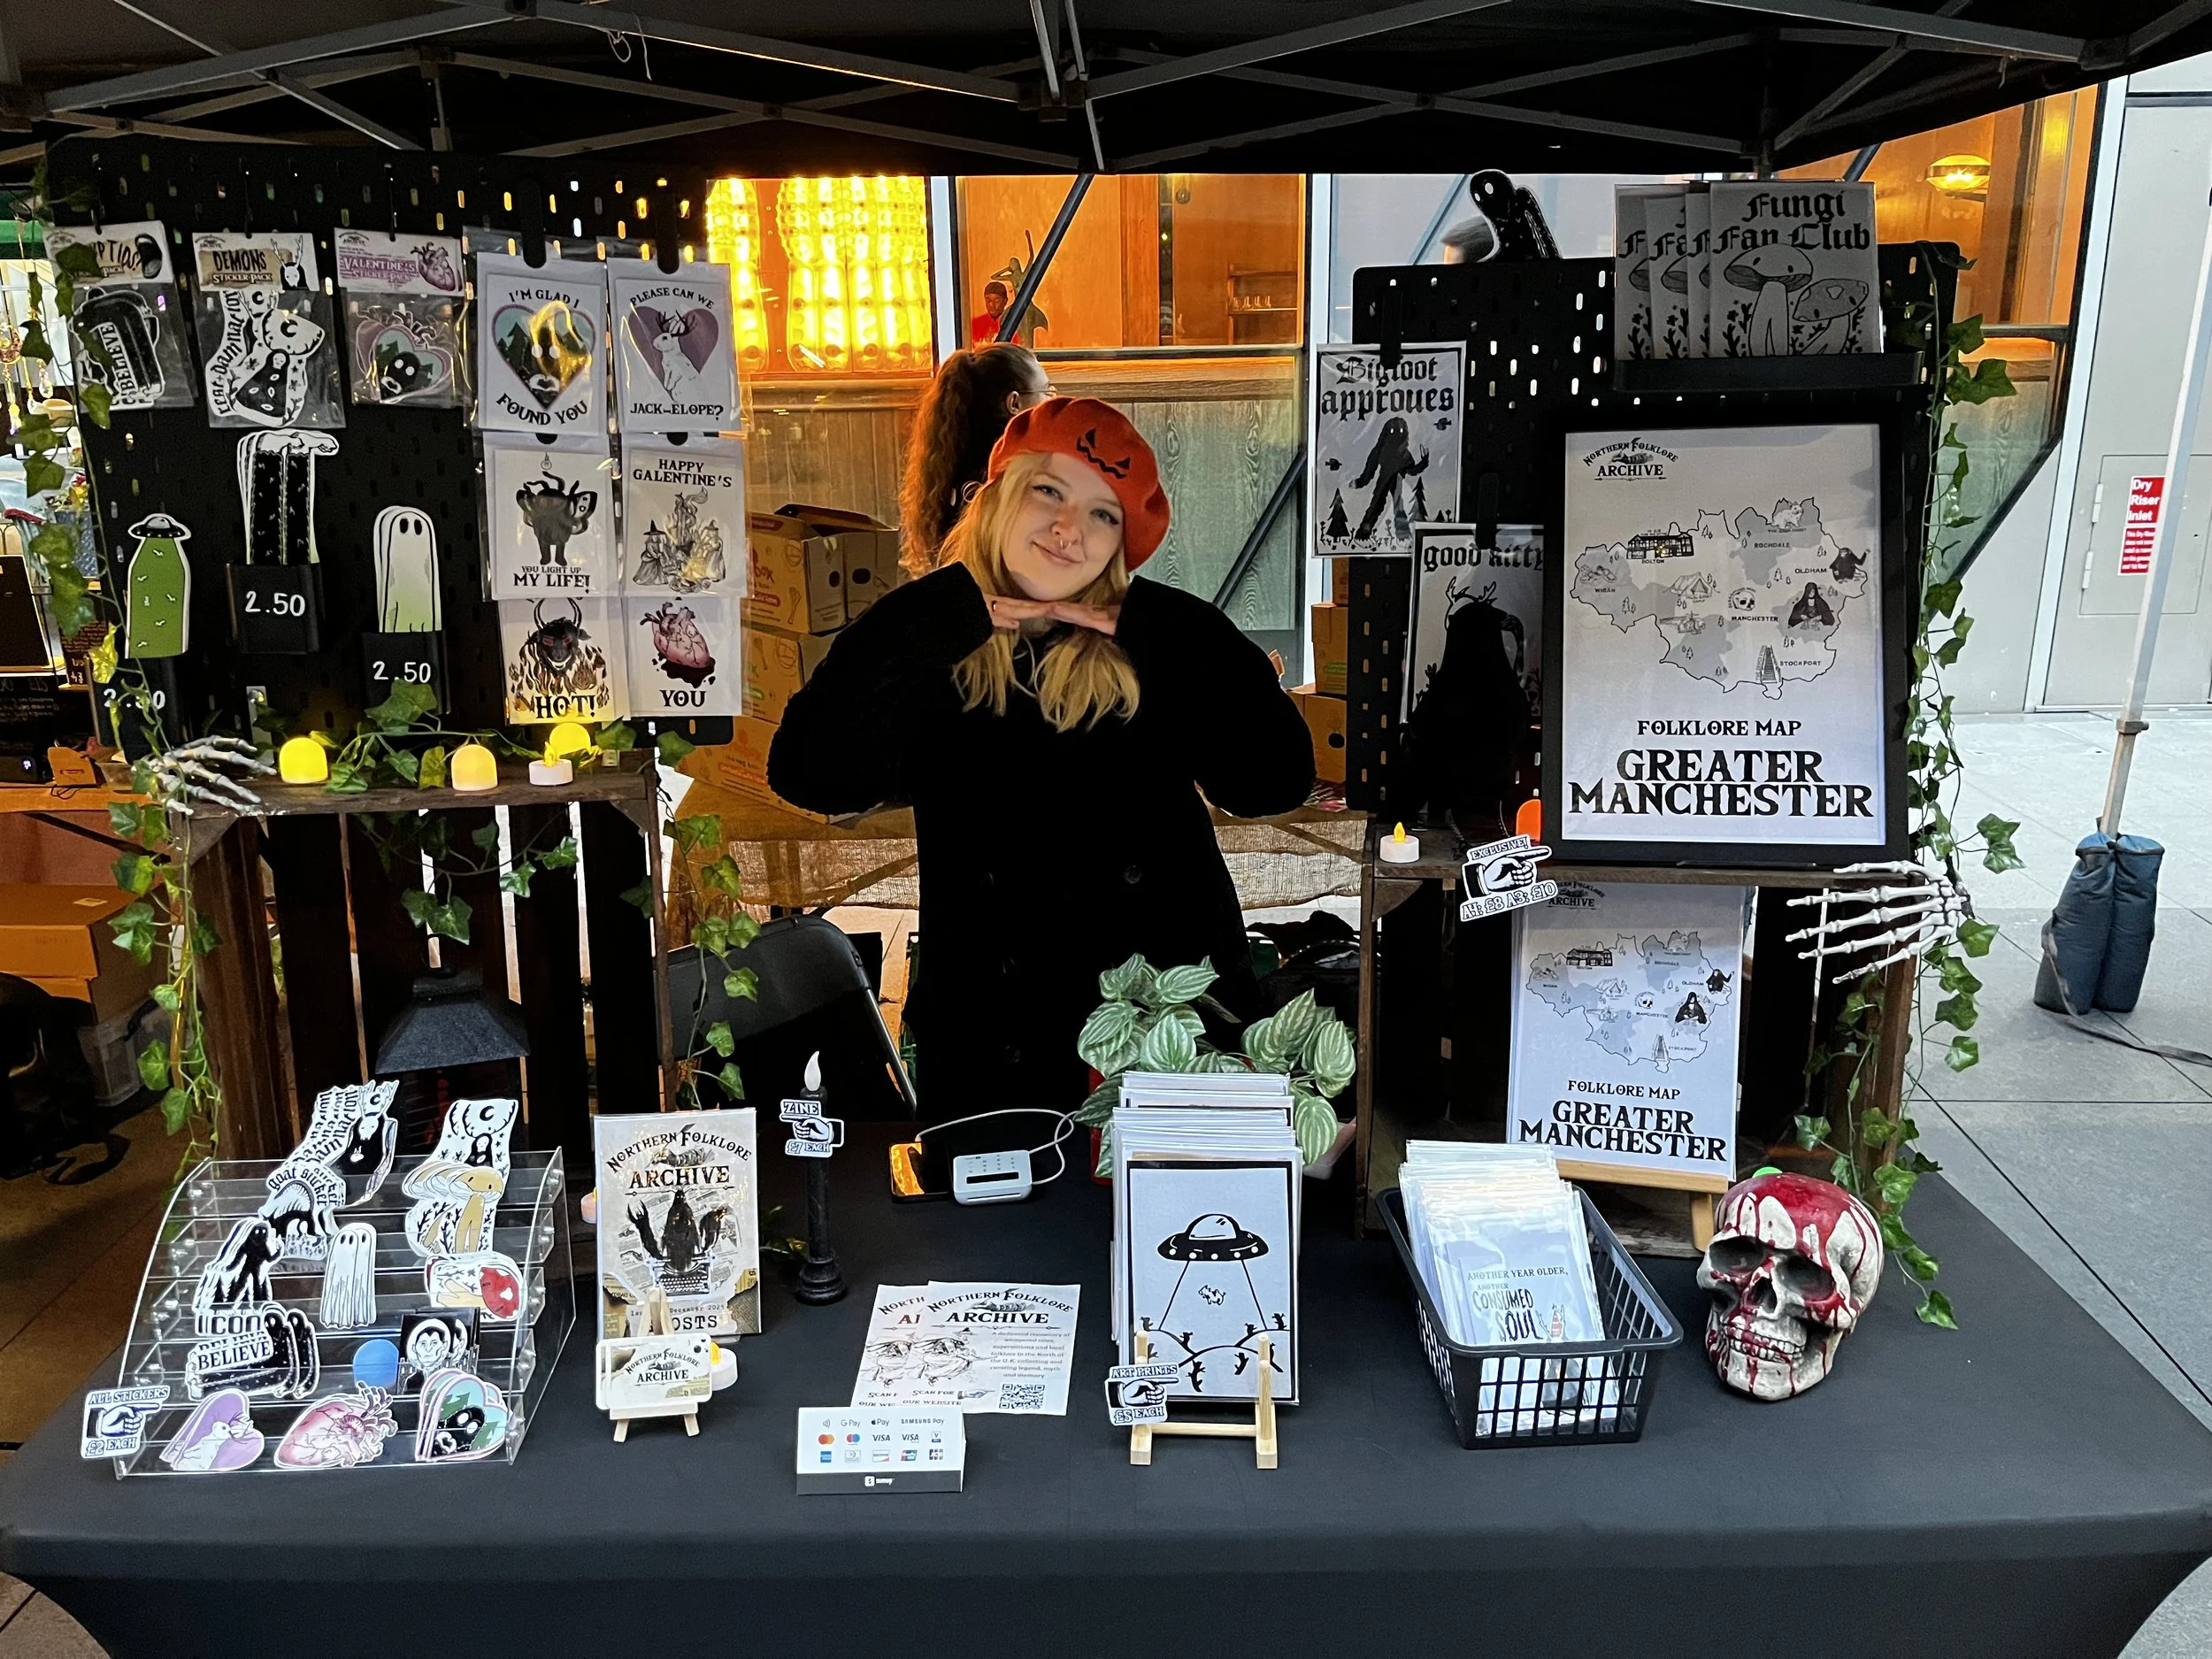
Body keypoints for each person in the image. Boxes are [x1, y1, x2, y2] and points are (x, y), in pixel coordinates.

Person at [771, 396, 1314, 1126]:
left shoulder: (1158, 646)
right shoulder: (939, 649)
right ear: (997, 500)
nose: (1067, 528)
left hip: (1163, 1040)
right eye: (1048, 491)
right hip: (996, 1049)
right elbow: (809, 769)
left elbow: (1273, 778)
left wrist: (1158, 622)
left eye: (1102, 513)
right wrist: (937, 613)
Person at [897, 342, 1052, 575]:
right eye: (1047, 392)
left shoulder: (955, 470)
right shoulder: (1015, 477)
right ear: (1014, 404)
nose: (1053, 402)